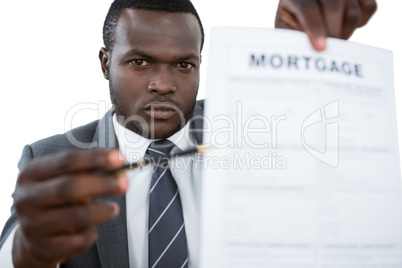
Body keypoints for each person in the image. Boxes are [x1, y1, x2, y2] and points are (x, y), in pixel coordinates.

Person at [0, 0, 377, 267]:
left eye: (183, 64)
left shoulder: (250, 129)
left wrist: (294, 48)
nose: (162, 85)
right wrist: (26, 255)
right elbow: (16, 244)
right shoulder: (52, 157)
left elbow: (300, 119)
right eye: (139, 61)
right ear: (105, 63)